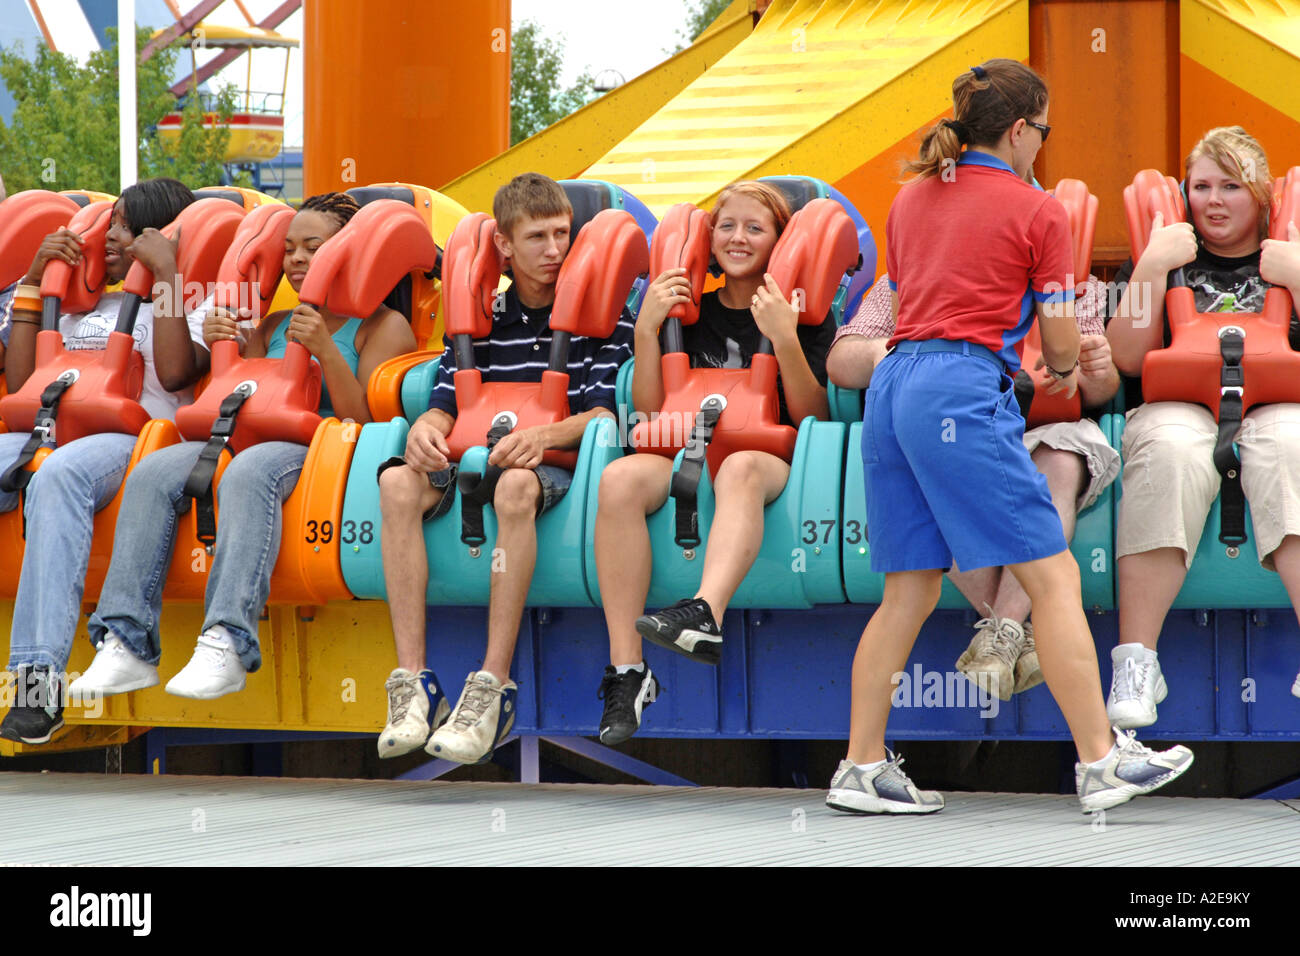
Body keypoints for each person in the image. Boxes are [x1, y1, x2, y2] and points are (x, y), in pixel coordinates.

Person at [832, 60, 1193, 815]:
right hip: (961, 390)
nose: (1044, 147)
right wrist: (1066, 360)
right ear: (1022, 129)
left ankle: (860, 768)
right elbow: (1060, 341)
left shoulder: (908, 197)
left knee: (907, 590)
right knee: (1053, 579)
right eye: (1045, 131)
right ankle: (1100, 762)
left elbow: (911, 302)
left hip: (895, 387)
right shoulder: (1039, 212)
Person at [62, 193, 416, 704]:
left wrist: (322, 351)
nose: (296, 259)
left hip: (319, 450)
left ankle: (227, 638)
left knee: (250, 471)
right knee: (154, 472)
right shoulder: (273, 323)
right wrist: (233, 349)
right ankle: (125, 638)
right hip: (246, 436)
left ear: (348, 252)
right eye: (290, 248)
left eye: (312, 248)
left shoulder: (383, 326)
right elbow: (238, 394)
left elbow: (365, 422)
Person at [376, 172, 634, 764]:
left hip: (550, 467)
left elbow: (601, 415)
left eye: (563, 234)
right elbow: (445, 406)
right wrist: (423, 432)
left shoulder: (605, 316)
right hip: (471, 458)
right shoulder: (480, 317)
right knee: (394, 480)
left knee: (515, 485)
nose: (554, 250)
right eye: (538, 237)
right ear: (505, 247)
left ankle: (493, 685)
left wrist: (545, 434)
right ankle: (412, 681)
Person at [593, 179, 835, 745]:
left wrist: (785, 338)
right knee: (620, 477)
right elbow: (650, 408)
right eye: (727, 226)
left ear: (781, 240)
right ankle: (627, 671)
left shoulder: (802, 315)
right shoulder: (689, 314)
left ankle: (705, 612)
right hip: (687, 449)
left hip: (762, 458)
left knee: (740, 469)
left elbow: (813, 412)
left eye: (756, 227)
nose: (739, 237)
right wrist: (649, 328)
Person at [828, 266, 1120, 700]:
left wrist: (1098, 368)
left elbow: (1101, 390)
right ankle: (1018, 635)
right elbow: (841, 362)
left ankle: (1002, 634)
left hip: (1047, 427)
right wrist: (888, 356)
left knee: (1060, 463)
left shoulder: (1077, 286)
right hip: (956, 425)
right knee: (938, 465)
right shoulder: (909, 272)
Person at [1106, 126, 1300, 721]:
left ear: (1262, 197)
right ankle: (1137, 663)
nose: (1213, 201)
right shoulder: (1165, 254)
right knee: (1167, 450)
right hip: (1179, 409)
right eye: (1201, 186)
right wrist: (1150, 267)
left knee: (1290, 447)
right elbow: (1125, 359)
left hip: (1277, 409)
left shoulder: (1285, 256)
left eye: (1231, 187)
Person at [0, 177, 202, 744]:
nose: (107, 236)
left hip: (130, 438)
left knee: (59, 477)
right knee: (51, 463)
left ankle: (38, 684)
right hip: (49, 428)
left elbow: (177, 374)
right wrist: (37, 283)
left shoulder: (184, 295)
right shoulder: (78, 301)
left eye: (122, 225)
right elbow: (21, 384)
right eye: (108, 223)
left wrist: (164, 274)